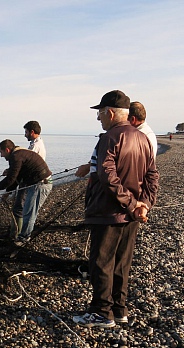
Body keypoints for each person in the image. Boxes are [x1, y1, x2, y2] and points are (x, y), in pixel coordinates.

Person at [73, 90, 159, 328]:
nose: (98, 118)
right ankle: (119, 309)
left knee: (101, 262)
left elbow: (106, 175)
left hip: (108, 212)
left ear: (110, 112)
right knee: (122, 262)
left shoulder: (109, 138)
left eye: (100, 113)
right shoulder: (143, 138)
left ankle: (101, 311)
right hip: (132, 215)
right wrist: (144, 205)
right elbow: (152, 175)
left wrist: (134, 204)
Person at [0, 139, 53, 246]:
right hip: (36, 183)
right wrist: (7, 192)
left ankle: (24, 238)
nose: (1, 156)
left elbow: (11, 178)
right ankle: (22, 235)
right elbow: (17, 176)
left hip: (41, 184)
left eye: (1, 152)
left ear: (7, 150)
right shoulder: (19, 154)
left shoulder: (16, 157)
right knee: (27, 211)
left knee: (29, 212)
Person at [8, 121, 47, 239]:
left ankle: (19, 234)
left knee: (22, 208)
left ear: (32, 132)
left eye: (26, 132)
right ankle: (19, 231)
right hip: (33, 178)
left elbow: (26, 163)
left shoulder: (36, 146)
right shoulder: (36, 143)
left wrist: (12, 174)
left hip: (33, 180)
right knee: (24, 208)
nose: (25, 135)